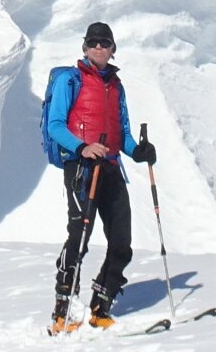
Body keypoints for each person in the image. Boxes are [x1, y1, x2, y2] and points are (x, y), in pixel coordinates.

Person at [44, 21, 156, 332]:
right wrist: (83, 147)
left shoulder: (116, 86)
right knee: (79, 235)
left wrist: (138, 152)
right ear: (84, 47)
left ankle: (101, 305)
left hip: (110, 166)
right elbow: (55, 125)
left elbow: (123, 133)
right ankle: (63, 309)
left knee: (122, 240)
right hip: (82, 167)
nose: (98, 47)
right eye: (93, 42)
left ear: (112, 49)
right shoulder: (70, 80)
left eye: (104, 42)